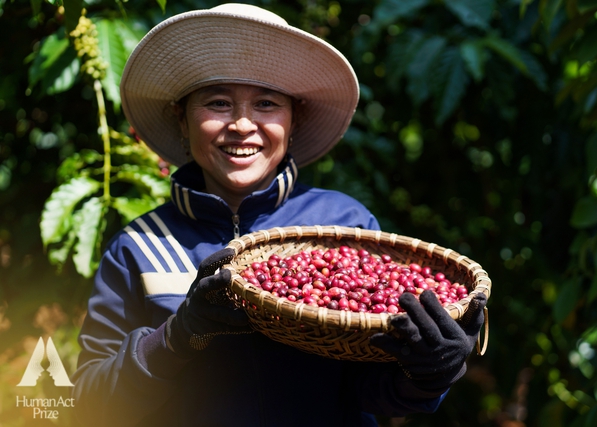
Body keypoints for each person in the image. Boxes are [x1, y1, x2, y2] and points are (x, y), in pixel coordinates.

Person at [71, 3, 487, 426]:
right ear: (182, 118)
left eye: (267, 104)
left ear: (293, 120)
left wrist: (432, 373)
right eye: (218, 103)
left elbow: (371, 389)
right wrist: (176, 337)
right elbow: (90, 402)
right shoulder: (139, 247)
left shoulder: (345, 226)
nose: (242, 125)